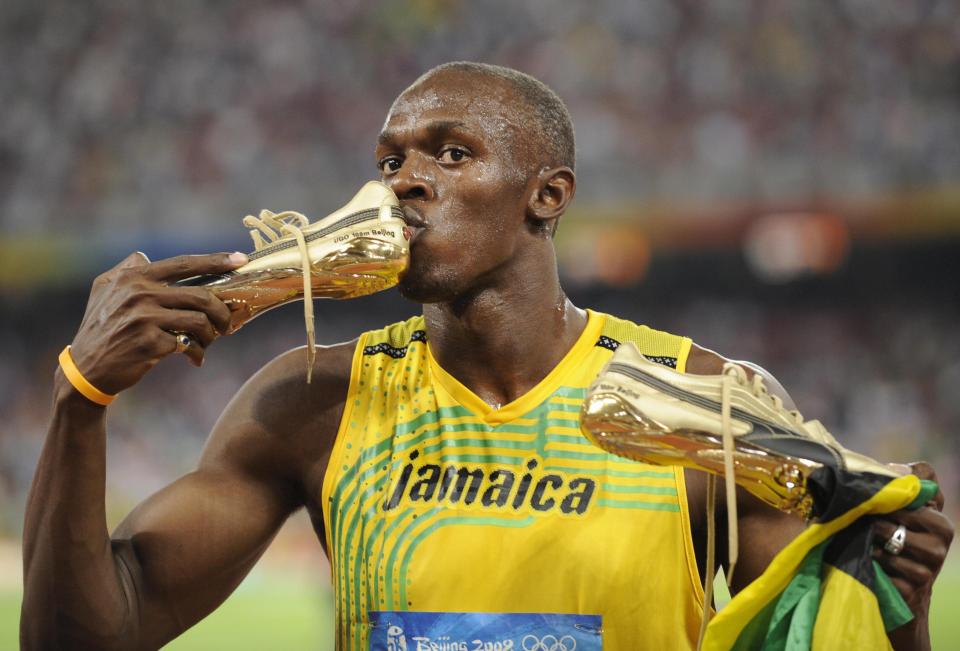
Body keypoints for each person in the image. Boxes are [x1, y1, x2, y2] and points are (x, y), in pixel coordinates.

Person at [21, 62, 953, 650]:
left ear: (546, 196)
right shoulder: (314, 399)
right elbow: (88, 631)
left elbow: (833, 634)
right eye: (389, 161)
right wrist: (80, 399)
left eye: (451, 152)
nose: (403, 182)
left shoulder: (701, 400)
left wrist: (892, 596)